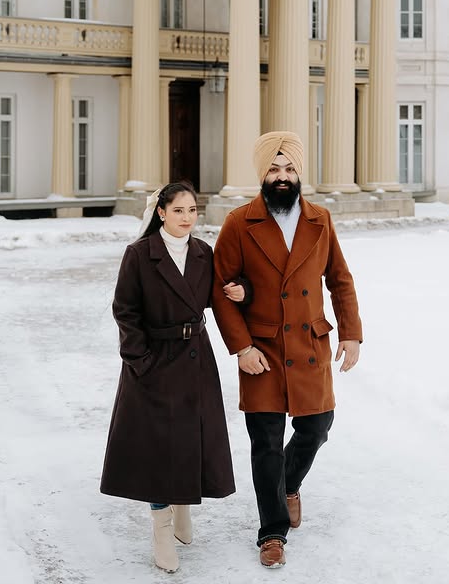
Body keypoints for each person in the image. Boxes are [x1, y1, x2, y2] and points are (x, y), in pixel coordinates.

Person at [211, 131, 363, 568]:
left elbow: (339, 279)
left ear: (299, 174)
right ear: (262, 174)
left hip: (309, 342)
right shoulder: (239, 222)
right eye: (274, 169)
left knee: (317, 426)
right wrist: (241, 348)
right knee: (266, 442)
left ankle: (289, 484)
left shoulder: (320, 219)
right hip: (261, 348)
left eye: (290, 168)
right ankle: (272, 532)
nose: (283, 176)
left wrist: (351, 333)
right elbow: (221, 290)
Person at [100, 181, 247, 573]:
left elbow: (218, 295)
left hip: (195, 359)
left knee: (189, 438)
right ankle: (162, 529)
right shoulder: (139, 254)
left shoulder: (203, 252)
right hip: (153, 361)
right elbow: (125, 310)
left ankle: (183, 505)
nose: (186, 218)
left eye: (192, 210)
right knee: (157, 449)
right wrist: (140, 360)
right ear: (161, 212)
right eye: (178, 210)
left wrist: (241, 290)